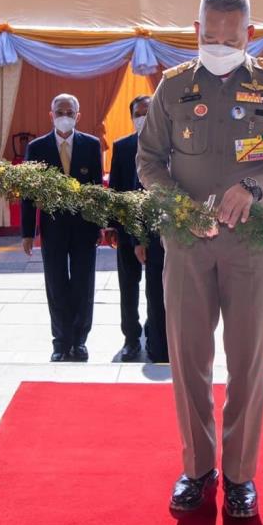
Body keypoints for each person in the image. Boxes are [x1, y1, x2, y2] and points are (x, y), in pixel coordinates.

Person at [137, 0, 263, 518]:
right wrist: (178, 206)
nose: (218, 45)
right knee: (188, 359)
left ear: (249, 35)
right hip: (188, 244)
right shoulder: (172, 86)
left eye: (230, 39)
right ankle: (198, 469)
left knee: (249, 360)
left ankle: (239, 476)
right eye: (209, 37)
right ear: (196, 31)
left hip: (253, 246)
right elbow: (148, 161)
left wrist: (254, 189)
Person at [21, 94, 104, 362]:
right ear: (51, 114)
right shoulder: (37, 148)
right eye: (60, 111)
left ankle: (79, 341)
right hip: (52, 229)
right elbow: (28, 192)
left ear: (78, 116)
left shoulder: (91, 145)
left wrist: (101, 225)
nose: (64, 115)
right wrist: (26, 232)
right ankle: (60, 341)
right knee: (56, 285)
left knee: (83, 284)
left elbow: (96, 191)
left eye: (70, 111)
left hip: (84, 228)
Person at [107, 95, 168, 363]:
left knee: (157, 289)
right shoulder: (123, 147)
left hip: (159, 233)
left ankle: (156, 337)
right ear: (132, 117)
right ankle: (131, 339)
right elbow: (118, 191)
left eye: (148, 112)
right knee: (129, 288)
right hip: (128, 230)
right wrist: (115, 227)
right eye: (139, 113)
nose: (143, 117)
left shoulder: (171, 146)